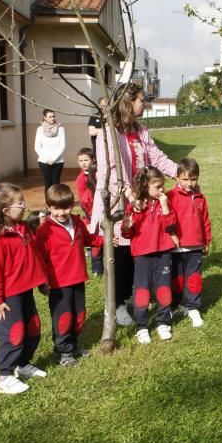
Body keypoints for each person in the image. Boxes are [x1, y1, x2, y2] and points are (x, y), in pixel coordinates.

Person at [89, 84, 178, 327]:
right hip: (119, 201)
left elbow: (156, 157)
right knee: (119, 254)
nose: (145, 104)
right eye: (141, 100)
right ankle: (116, 303)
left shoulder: (140, 130)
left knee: (134, 251)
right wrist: (130, 196)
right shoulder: (109, 133)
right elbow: (112, 171)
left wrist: (177, 172)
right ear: (129, 102)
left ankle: (129, 297)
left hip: (138, 202)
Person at [0, 182, 49, 395]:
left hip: (26, 290)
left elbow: (33, 258)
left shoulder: (21, 229)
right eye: (20, 203)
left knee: (33, 327)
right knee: (14, 334)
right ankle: (5, 376)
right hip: (9, 297)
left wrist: (42, 281)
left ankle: (23, 363)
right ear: (5, 210)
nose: (25, 206)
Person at [34, 184, 104, 366]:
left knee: (79, 315)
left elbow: (88, 240)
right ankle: (64, 352)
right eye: (56, 208)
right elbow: (39, 258)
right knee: (64, 318)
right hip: (58, 283)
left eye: (65, 207)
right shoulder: (44, 231)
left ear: (72, 205)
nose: (61, 212)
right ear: (49, 207)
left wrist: (104, 240)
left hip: (78, 278)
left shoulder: (77, 222)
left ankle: (73, 346)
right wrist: (42, 281)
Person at [122, 166, 179, 344]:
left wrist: (164, 206)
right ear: (145, 186)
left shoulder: (164, 202)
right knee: (142, 292)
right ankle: (142, 326)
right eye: (157, 186)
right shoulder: (136, 206)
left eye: (162, 186)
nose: (161, 190)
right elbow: (127, 234)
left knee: (163, 289)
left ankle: (163, 322)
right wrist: (127, 226)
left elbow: (170, 227)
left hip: (163, 253)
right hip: (142, 255)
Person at [167, 158, 212, 329]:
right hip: (176, 248)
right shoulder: (170, 196)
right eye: (185, 179)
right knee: (176, 279)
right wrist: (171, 235)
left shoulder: (200, 198)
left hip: (196, 246)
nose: (189, 183)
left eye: (193, 179)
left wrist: (207, 240)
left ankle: (193, 307)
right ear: (177, 178)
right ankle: (175, 305)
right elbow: (166, 219)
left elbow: (206, 221)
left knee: (194, 279)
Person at [75, 147, 103, 276]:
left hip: (102, 211)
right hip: (90, 214)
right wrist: (90, 218)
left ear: (93, 160)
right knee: (94, 239)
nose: (83, 163)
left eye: (86, 159)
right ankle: (97, 269)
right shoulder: (80, 179)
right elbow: (83, 201)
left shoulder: (99, 174)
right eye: (80, 160)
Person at [35, 108, 66, 195]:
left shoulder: (61, 129)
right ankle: (49, 205)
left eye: (54, 116)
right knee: (47, 184)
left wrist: (54, 159)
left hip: (58, 161)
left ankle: (57, 203)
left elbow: (62, 146)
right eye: (50, 117)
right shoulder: (40, 129)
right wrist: (46, 159)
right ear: (44, 117)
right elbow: (37, 147)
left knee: (56, 184)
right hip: (44, 161)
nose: (52, 118)